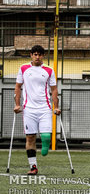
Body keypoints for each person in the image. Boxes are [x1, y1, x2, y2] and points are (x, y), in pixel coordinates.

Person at [13, 45, 60, 175]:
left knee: (46, 136)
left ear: (43, 56)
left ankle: (45, 146)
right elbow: (18, 87)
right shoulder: (23, 68)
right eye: (35, 54)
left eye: (40, 54)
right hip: (29, 109)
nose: (37, 57)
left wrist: (56, 107)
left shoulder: (49, 70)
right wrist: (17, 104)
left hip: (45, 108)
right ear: (31, 55)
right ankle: (33, 166)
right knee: (30, 137)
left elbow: (54, 89)